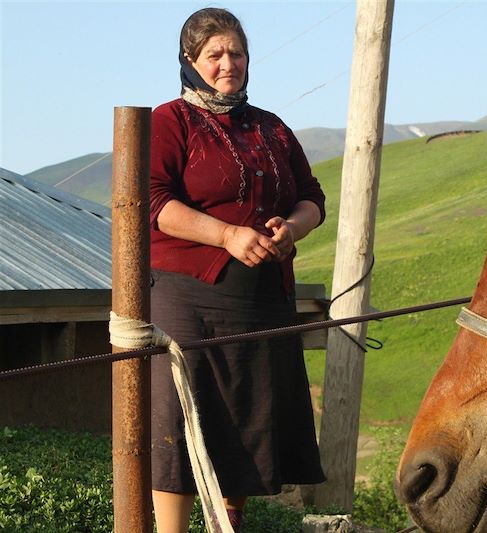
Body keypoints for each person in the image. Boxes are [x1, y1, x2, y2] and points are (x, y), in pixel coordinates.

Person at [148, 7, 326, 532]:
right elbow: (154, 200)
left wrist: (292, 228)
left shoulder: (270, 128)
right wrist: (226, 235)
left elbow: (312, 197)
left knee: (251, 420)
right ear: (190, 61)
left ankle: (227, 527)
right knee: (182, 422)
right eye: (215, 54)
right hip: (188, 300)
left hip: (263, 301)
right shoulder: (169, 121)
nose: (229, 63)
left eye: (237, 53)